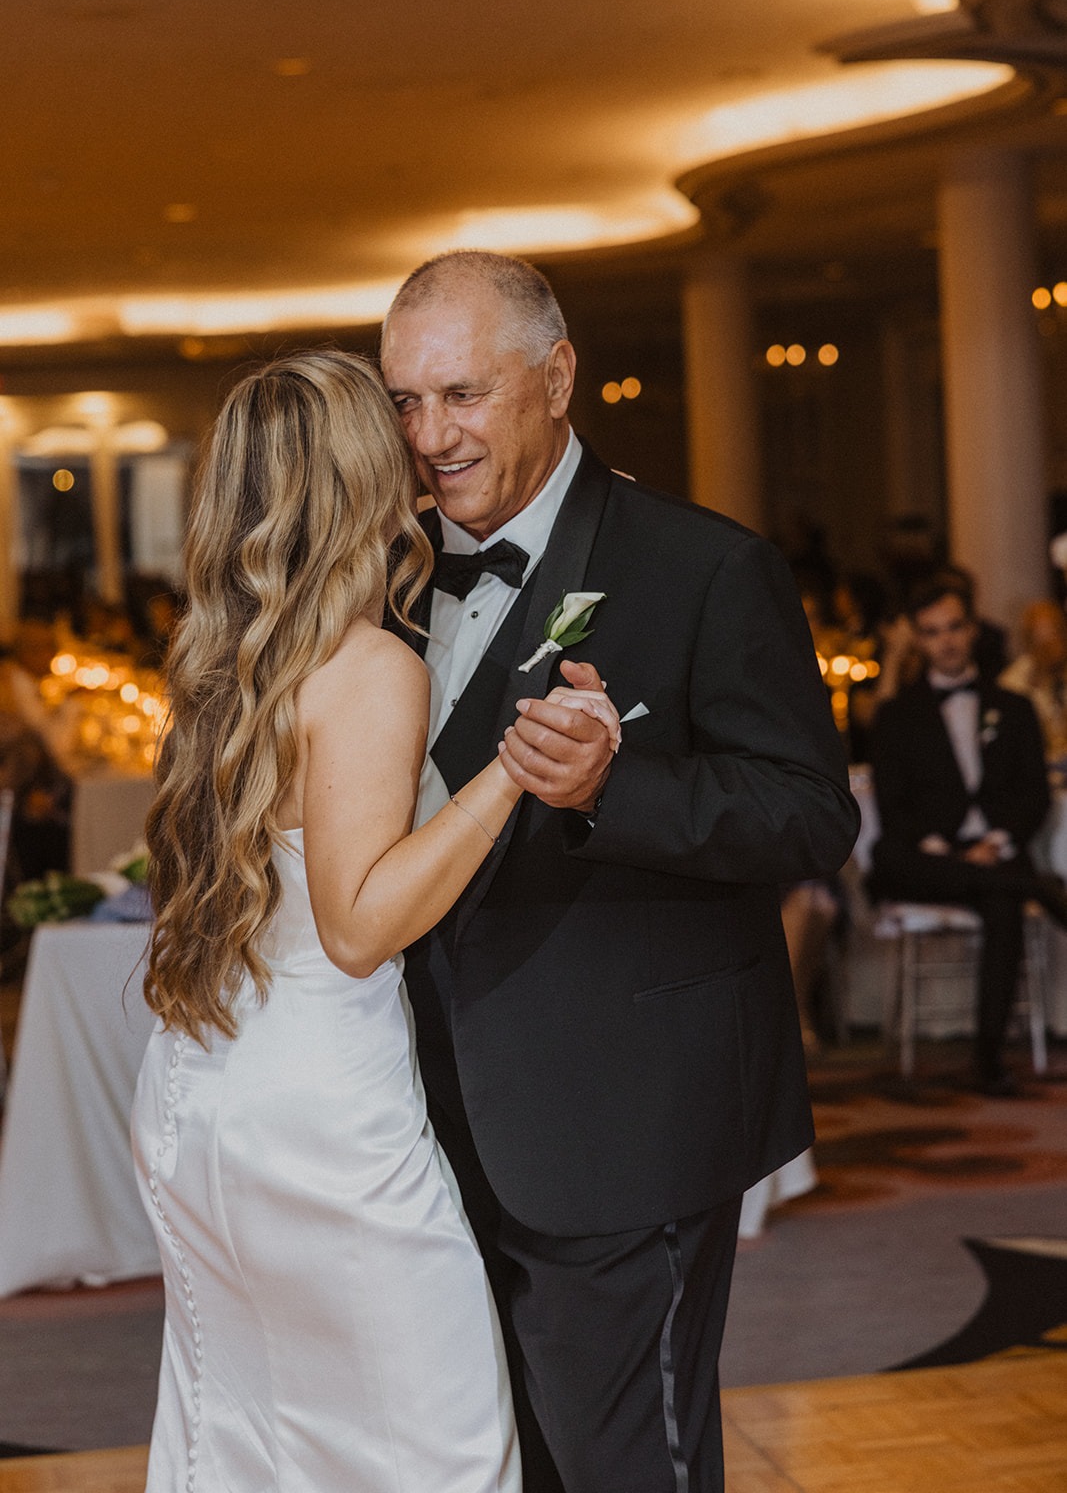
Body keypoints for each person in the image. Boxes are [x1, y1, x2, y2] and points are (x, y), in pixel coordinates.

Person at [380, 250, 860, 1493]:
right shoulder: (377, 579)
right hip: (409, 1128)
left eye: (463, 395)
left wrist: (612, 789)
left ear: (556, 379)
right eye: (406, 401)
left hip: (623, 1118)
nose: (430, 436)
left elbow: (810, 816)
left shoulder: (702, 566)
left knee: (623, 1467)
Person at [132, 351, 547, 1493]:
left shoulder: (221, 661)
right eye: (399, 425)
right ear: (369, 474)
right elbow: (358, 928)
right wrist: (510, 772)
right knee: (440, 1450)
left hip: (200, 1090)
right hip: (325, 1117)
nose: (426, 445)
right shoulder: (367, 665)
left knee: (246, 1441)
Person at [868, 575, 1065, 1096]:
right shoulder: (896, 715)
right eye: (932, 632)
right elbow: (894, 809)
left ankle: (987, 1060)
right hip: (929, 859)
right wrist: (950, 852)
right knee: (891, 856)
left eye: (955, 627)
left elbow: (1035, 795)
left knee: (1001, 897)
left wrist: (995, 843)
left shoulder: (1015, 708)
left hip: (994, 855)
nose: (947, 641)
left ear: (973, 629)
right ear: (919, 639)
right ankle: (1036, 888)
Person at [1000, 598, 1067, 772]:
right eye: (1042, 643)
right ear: (1028, 643)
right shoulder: (1013, 683)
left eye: (1056, 636)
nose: (1051, 650)